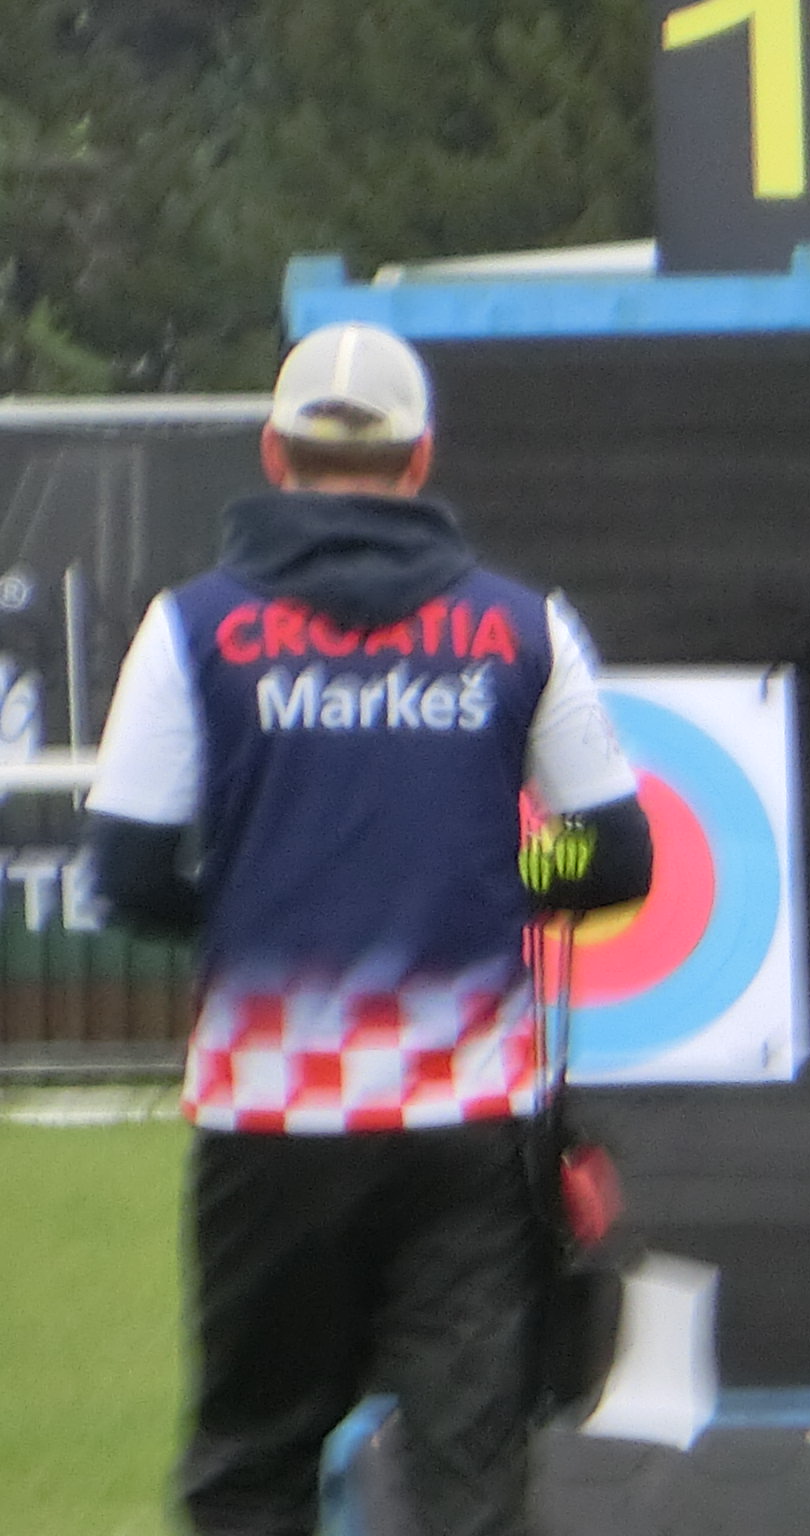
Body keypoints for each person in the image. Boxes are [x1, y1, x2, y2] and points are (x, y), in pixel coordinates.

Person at [85, 321, 654, 1536]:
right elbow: (615, 855)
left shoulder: (191, 628)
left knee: (255, 1468)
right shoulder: (523, 626)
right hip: (467, 1125)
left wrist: (259, 900)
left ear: (272, 454)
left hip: (270, 1120)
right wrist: (495, 877)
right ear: (421, 458)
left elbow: (127, 872)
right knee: (468, 1481)